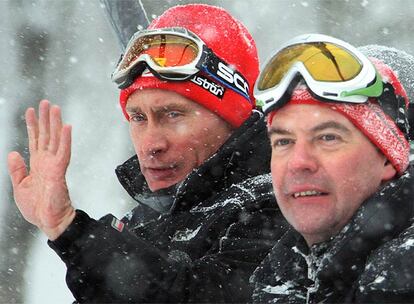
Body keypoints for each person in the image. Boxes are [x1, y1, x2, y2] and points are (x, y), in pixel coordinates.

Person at [7, 4, 288, 303]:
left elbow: (199, 296)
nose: (151, 143)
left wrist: (70, 228)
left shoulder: (283, 205)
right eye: (138, 118)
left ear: (231, 119)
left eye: (173, 115)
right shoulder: (143, 223)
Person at [250, 34, 414, 303]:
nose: (298, 162)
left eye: (328, 137)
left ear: (387, 158)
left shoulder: (398, 280)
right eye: (284, 141)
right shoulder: (281, 273)